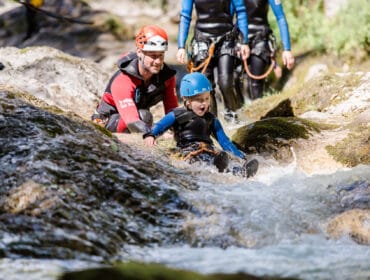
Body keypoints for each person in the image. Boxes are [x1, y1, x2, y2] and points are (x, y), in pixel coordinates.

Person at [143, 72, 258, 178]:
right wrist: (151, 135)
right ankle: (218, 167)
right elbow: (160, 126)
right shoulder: (177, 115)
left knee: (216, 156)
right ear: (187, 100)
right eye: (199, 100)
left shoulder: (211, 119)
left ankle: (240, 171)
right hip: (187, 150)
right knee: (201, 160)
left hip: (209, 149)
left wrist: (241, 157)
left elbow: (225, 142)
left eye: (207, 98)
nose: (204, 103)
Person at [91, 25, 179, 134]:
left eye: (161, 55)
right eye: (153, 56)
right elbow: (132, 121)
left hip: (138, 114)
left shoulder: (167, 77)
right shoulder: (123, 79)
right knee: (144, 117)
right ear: (139, 52)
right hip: (108, 119)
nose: (158, 61)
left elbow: (173, 112)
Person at [176, 0, 250, 123]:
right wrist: (181, 46)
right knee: (206, 87)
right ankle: (210, 122)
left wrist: (244, 42)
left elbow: (241, 12)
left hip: (227, 38)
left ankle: (232, 115)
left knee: (226, 82)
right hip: (202, 39)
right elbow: (185, 15)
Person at [232, 0, 295, 100]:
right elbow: (228, 16)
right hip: (239, 38)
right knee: (234, 78)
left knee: (255, 83)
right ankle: (238, 111)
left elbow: (280, 17)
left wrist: (287, 49)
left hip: (260, 39)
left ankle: (258, 110)